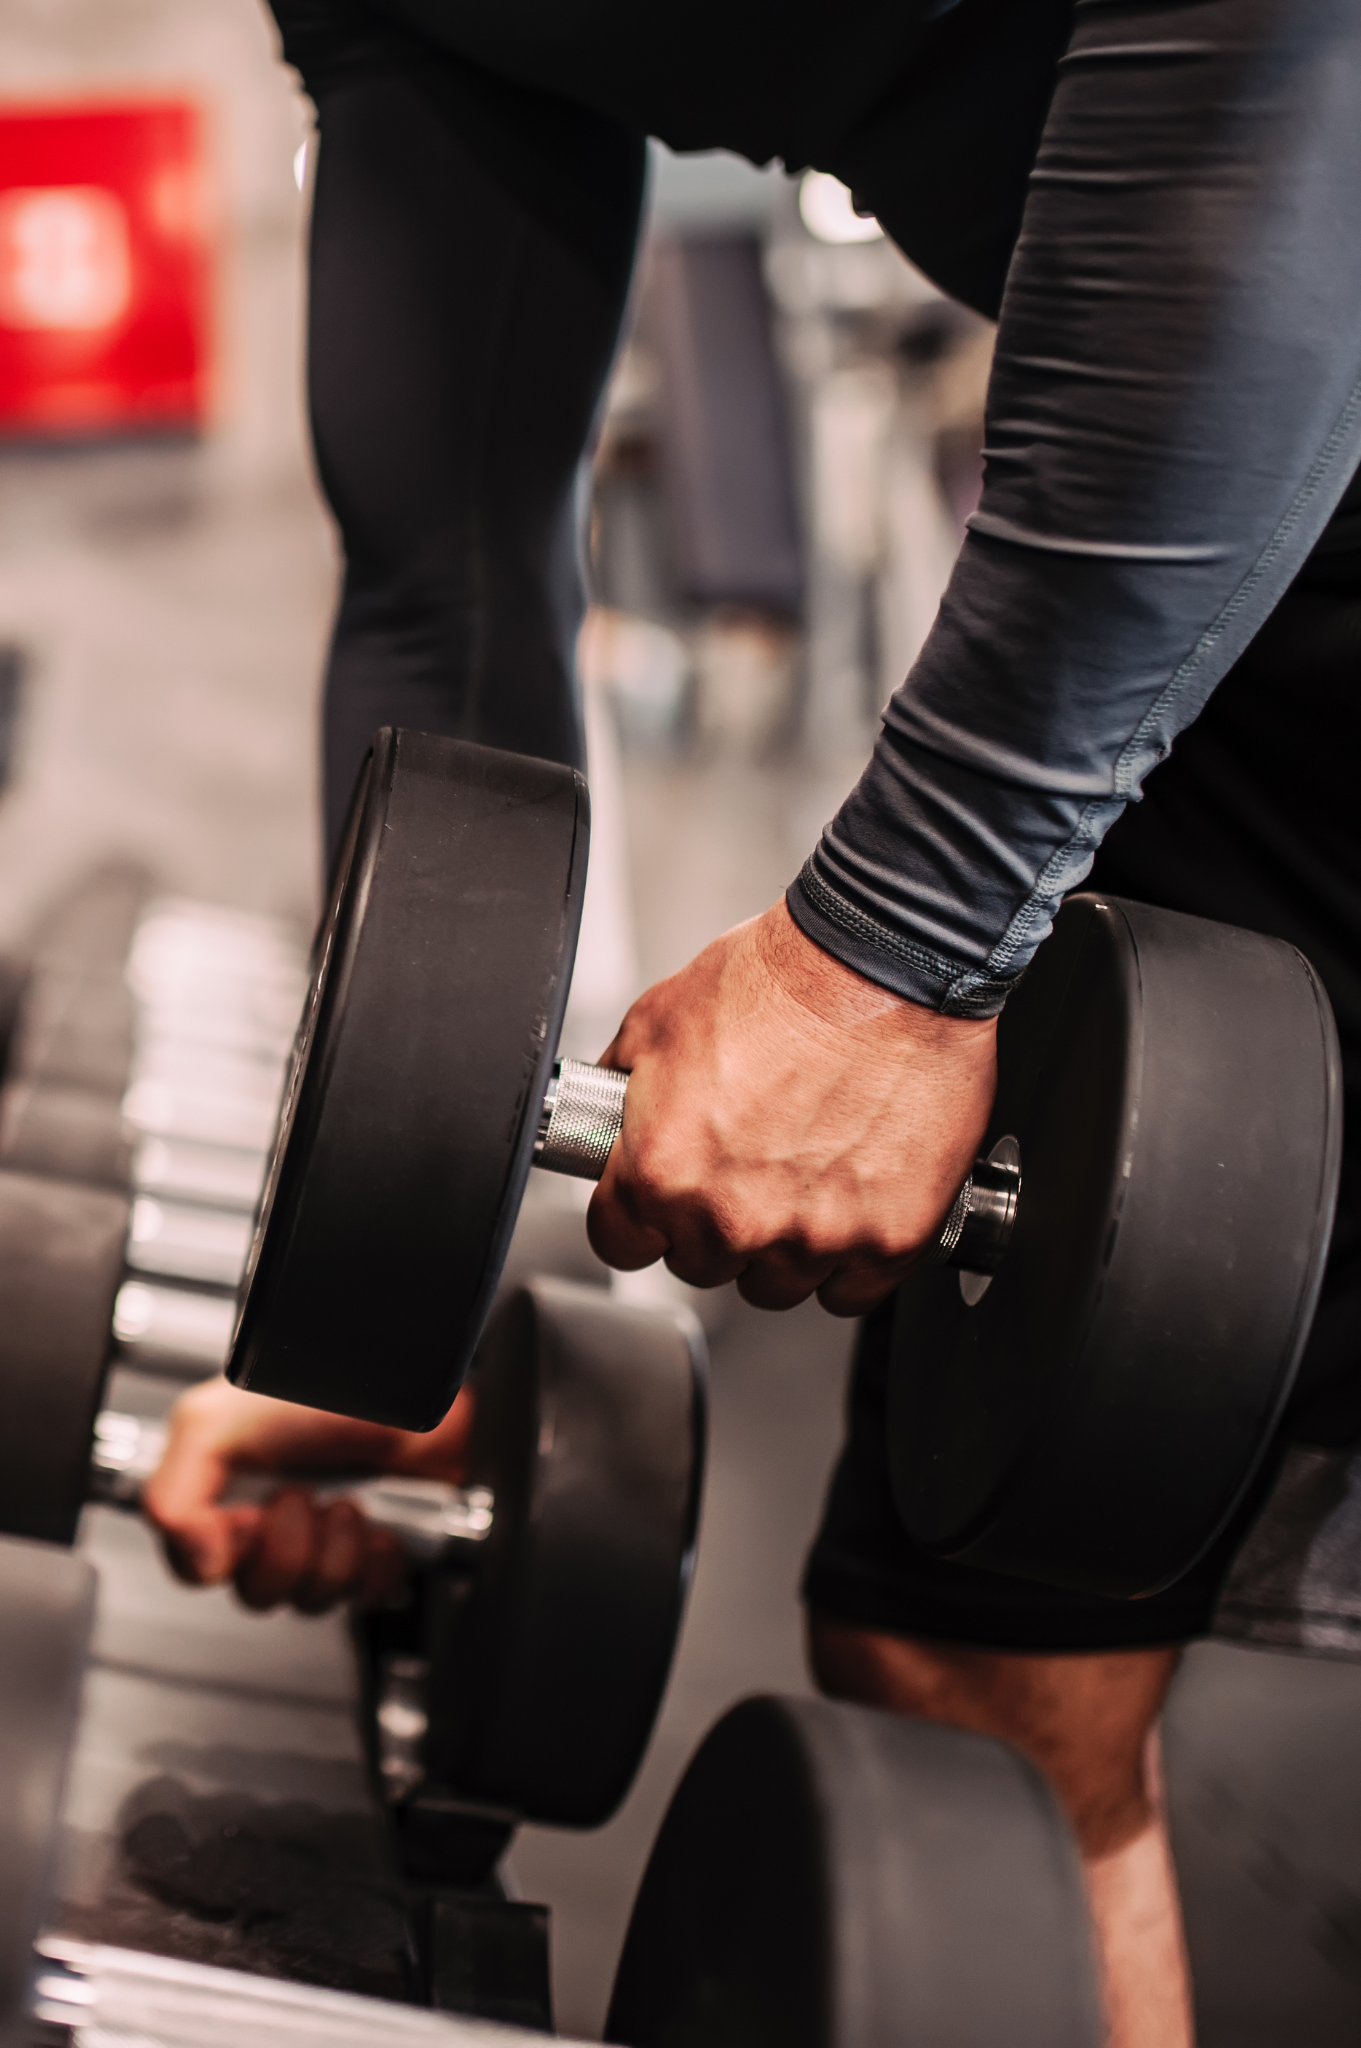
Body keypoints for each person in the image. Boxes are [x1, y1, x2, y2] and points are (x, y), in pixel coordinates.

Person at [143, 1, 1361, 2041]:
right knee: (980, 1627)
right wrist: (409, 1275)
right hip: (1260, 577)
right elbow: (445, 572)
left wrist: (895, 940)